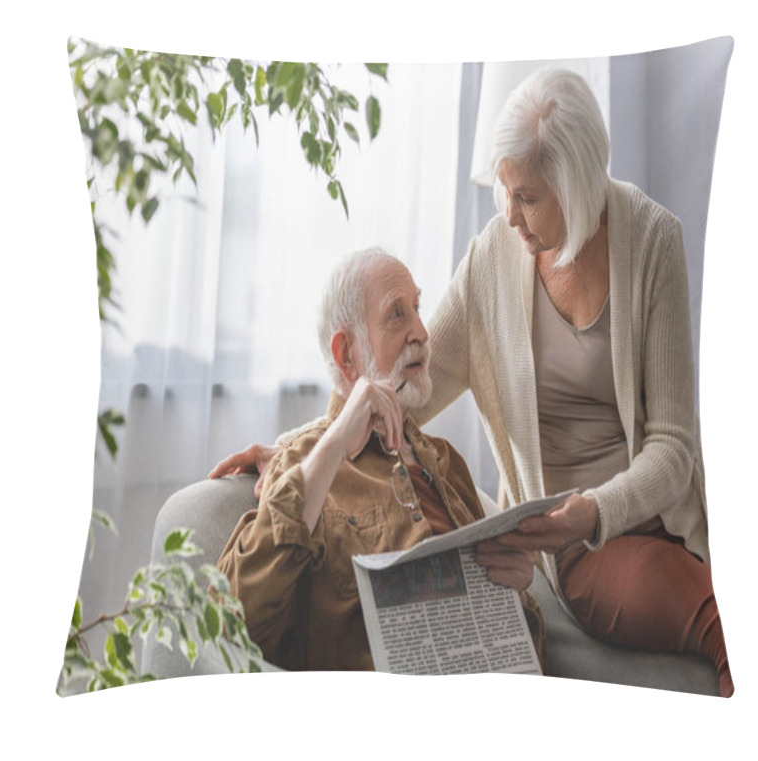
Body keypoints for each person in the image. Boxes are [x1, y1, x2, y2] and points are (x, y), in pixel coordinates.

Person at [213, 68, 733, 696]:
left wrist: (598, 509)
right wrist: (306, 448)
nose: (510, 217)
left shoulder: (652, 241)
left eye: (529, 198)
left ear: (578, 183)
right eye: (504, 193)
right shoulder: (496, 260)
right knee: (727, 623)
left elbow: (674, 447)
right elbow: (389, 384)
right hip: (575, 541)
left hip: (659, 509)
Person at [214, 248, 543, 672]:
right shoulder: (306, 465)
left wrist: (515, 599)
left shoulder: (447, 463)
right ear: (347, 355)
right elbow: (226, 623)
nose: (422, 331)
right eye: (396, 315)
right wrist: (333, 443)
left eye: (418, 309)